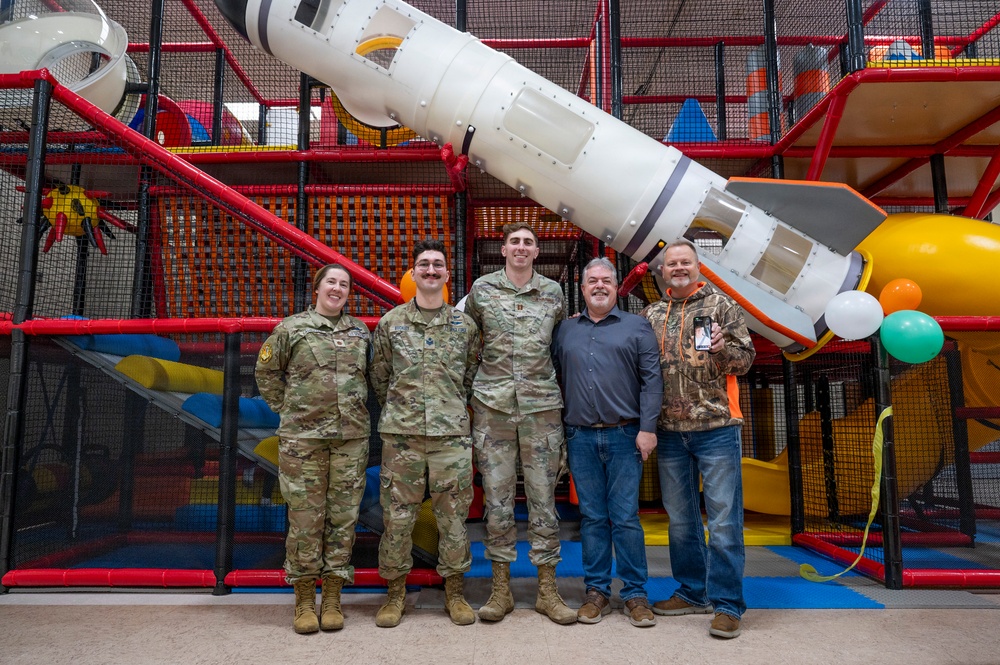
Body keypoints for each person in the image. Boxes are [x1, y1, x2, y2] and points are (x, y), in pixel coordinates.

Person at [641, 239, 755, 639]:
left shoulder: (721, 306)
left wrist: (723, 349)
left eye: (685, 262)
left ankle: (727, 605)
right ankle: (692, 592)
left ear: (697, 265)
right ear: (663, 270)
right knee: (681, 521)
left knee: (724, 521)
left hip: (717, 429)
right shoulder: (652, 313)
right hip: (670, 433)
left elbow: (746, 361)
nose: (678, 268)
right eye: (671, 263)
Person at [465, 222, 576, 625]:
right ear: (503, 248)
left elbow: (558, 345)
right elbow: (468, 343)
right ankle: (501, 590)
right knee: (496, 500)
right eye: (515, 241)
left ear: (537, 250)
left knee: (544, 500)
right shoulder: (481, 290)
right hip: (492, 409)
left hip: (541, 409)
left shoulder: (553, 293)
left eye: (528, 242)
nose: (521, 247)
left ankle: (548, 590)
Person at [369, 239, 481, 628]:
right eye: (424, 265)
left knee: (453, 519)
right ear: (413, 274)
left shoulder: (465, 326)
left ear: (447, 275)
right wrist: (405, 411)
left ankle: (455, 593)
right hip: (402, 438)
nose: (430, 271)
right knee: (398, 519)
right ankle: (395, 595)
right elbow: (380, 378)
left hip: (450, 436)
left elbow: (469, 376)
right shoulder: (391, 323)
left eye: (437, 265)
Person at [255, 263, 372, 634]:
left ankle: (333, 596)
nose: (337, 289)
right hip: (302, 441)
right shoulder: (291, 329)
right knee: (306, 519)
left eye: (344, 284)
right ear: (318, 288)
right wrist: (288, 409)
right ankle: (305, 600)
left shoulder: (361, 331)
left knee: (343, 519)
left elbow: (372, 376)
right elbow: (266, 373)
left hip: (350, 439)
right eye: (331, 282)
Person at [552, 257, 663, 628]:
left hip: (625, 435)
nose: (599, 286)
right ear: (582, 289)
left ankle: (635, 594)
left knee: (626, 518)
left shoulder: (637, 326)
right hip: (579, 437)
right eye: (592, 281)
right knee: (593, 518)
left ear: (616, 288)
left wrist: (648, 428)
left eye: (606, 281)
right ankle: (596, 591)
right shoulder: (565, 330)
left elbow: (652, 382)